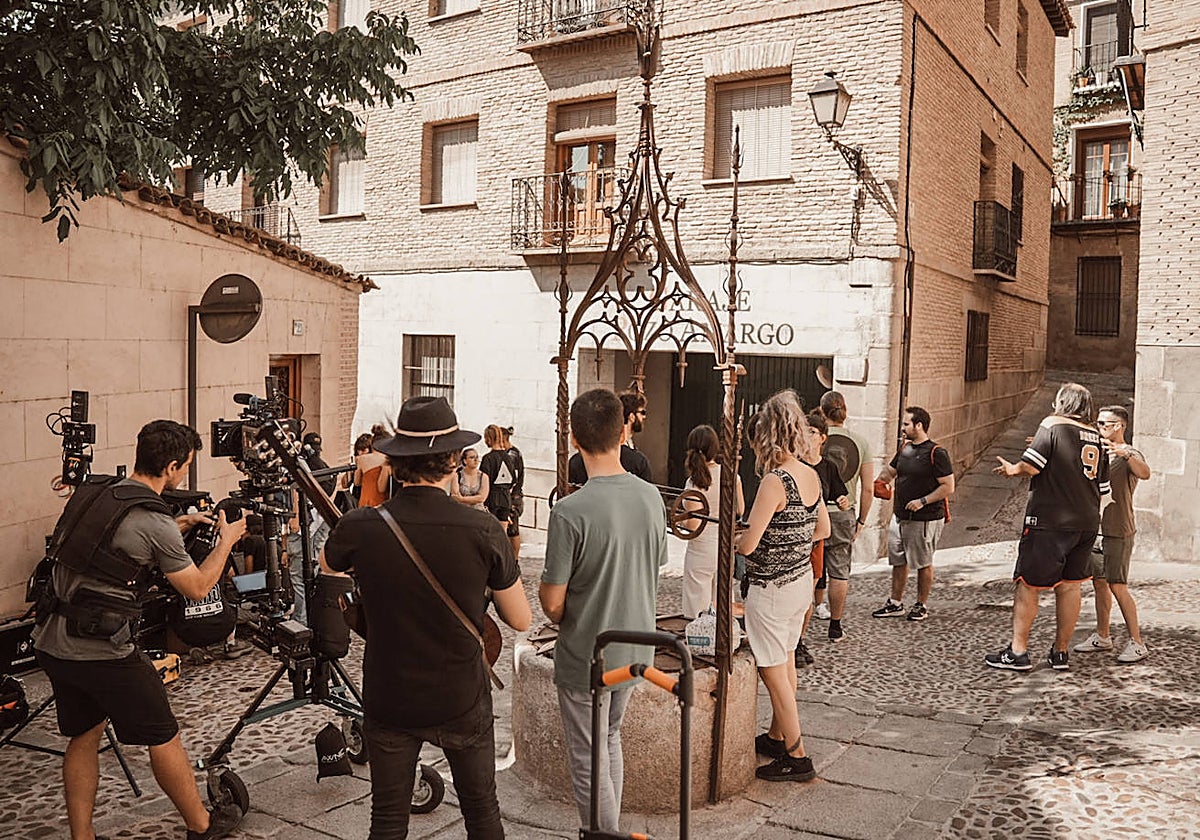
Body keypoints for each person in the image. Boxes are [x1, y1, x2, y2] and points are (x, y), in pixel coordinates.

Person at [323, 397, 532, 839]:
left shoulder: (361, 525)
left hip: (389, 691)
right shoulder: (483, 530)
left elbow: (328, 568)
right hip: (460, 693)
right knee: (481, 812)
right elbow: (521, 619)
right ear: (455, 460)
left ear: (398, 461)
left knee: (388, 820)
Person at [32, 420, 247, 840]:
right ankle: (202, 826)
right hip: (103, 654)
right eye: (185, 466)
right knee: (163, 735)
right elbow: (198, 588)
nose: (185, 473)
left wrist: (181, 524)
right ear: (170, 466)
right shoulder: (155, 522)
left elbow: (109, 546)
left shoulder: (96, 492)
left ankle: (83, 837)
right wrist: (226, 542)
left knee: (84, 733)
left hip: (52, 641)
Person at [539, 388, 667, 832]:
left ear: (575, 439)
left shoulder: (570, 511)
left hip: (588, 654)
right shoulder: (652, 497)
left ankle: (603, 835)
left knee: (587, 757)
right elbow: (653, 565)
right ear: (623, 430)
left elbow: (553, 603)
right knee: (610, 739)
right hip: (636, 648)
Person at [735, 391, 830, 782]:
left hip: (772, 589)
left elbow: (749, 544)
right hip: (800, 583)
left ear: (767, 435)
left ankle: (797, 756)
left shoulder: (775, 481)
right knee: (786, 659)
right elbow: (822, 528)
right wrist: (792, 538)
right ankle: (777, 736)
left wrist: (739, 536)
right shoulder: (809, 473)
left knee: (773, 670)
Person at [988, 383, 1110, 672]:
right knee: (1070, 587)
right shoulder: (1096, 436)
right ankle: (1060, 652)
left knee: (1028, 586)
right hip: (1087, 521)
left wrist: (1011, 469)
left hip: (1049, 521)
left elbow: (1030, 465)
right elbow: (1103, 487)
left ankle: (1018, 651)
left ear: (1062, 402)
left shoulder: (1052, 424)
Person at [1074, 405, 1152, 663]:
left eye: (1105, 424)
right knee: (1099, 584)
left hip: (1118, 531)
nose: (1099, 428)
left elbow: (1145, 472)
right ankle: (1102, 635)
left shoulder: (1129, 453)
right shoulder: (1099, 451)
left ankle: (1137, 643)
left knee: (1118, 586)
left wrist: (1126, 453)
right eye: (1098, 423)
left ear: (1120, 426)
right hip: (1097, 531)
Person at [870, 406, 955, 622]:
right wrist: (881, 482)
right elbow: (891, 471)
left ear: (919, 425)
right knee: (899, 561)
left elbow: (948, 486)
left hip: (925, 519)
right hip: (900, 517)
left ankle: (921, 604)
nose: (902, 428)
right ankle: (895, 603)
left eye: (906, 424)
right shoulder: (905, 449)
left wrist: (923, 501)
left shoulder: (937, 453)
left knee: (923, 562)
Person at [818, 391, 874, 643]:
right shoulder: (860, 442)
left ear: (822, 412)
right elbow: (869, 488)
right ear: (846, 411)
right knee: (839, 570)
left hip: (816, 511)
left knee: (812, 567)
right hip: (843, 513)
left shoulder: (816, 440)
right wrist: (861, 520)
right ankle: (835, 626)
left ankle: (811, 614)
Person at [795, 409, 846, 666]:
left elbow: (840, 496)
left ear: (822, 438)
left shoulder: (828, 468)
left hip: (816, 538)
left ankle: (799, 641)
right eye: (804, 431)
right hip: (795, 536)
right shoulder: (795, 465)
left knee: (808, 592)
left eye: (812, 432)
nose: (806, 436)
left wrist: (844, 501)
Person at [679, 424, 744, 619]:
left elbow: (693, 525)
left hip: (700, 550)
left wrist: (679, 523)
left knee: (697, 613)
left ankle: (698, 647)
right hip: (724, 547)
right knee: (722, 607)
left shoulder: (693, 483)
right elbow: (740, 509)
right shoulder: (731, 476)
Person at [567, 392, 653, 485]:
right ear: (631, 416)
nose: (644, 417)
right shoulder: (638, 462)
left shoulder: (575, 461)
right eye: (642, 412)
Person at [480, 425, 523, 557]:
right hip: (505, 499)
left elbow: (485, 480)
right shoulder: (508, 457)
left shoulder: (488, 459)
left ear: (488, 439)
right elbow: (513, 480)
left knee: (490, 535)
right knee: (502, 535)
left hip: (491, 498)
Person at [354, 431, 389, 508]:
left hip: (365, 500)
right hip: (382, 502)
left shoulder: (361, 459)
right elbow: (381, 488)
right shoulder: (388, 460)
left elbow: (357, 482)